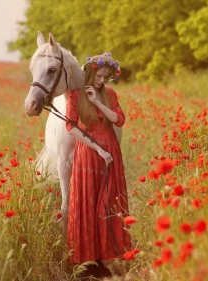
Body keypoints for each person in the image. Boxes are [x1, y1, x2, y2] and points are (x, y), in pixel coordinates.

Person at [65, 53, 131, 279]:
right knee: (87, 201)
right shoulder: (74, 95)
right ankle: (86, 261)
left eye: (106, 77)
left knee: (107, 201)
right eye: (99, 76)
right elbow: (71, 128)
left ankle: (103, 257)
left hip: (111, 150)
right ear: (90, 72)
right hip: (89, 153)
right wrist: (98, 149)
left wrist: (96, 102)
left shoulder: (109, 94)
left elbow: (119, 120)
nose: (102, 81)